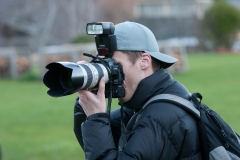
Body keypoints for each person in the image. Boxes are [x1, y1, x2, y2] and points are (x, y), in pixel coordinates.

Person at [74, 21, 202, 159]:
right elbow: (96, 143)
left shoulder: (160, 116)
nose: (109, 74)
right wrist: (85, 101)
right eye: (103, 64)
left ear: (144, 61)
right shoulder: (144, 104)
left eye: (113, 65)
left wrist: (96, 118)